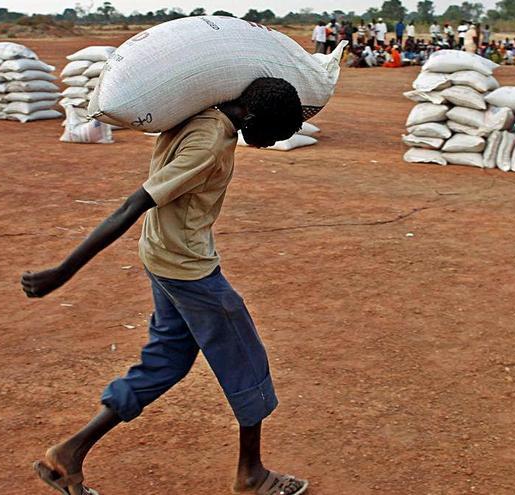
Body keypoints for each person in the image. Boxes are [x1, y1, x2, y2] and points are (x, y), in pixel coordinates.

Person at [24, 77, 308, 495]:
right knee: (247, 364)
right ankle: (252, 476)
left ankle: (69, 455)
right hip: (188, 269)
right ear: (252, 115)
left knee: (168, 360)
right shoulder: (208, 144)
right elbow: (133, 204)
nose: (267, 144)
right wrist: (64, 271)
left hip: (161, 255)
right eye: (272, 134)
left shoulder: (204, 117)